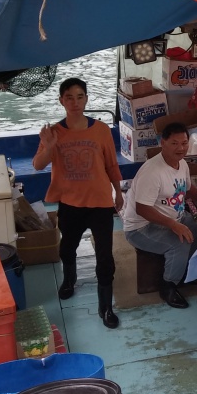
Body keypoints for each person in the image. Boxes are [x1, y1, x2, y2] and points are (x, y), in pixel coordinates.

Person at [32, 78, 123, 329]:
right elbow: (38, 165)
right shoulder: (53, 133)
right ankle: (69, 279)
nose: (75, 102)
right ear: (61, 100)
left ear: (86, 99)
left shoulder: (101, 130)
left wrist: (118, 191)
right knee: (66, 248)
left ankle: (105, 307)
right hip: (70, 203)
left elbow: (111, 164)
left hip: (100, 202)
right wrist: (49, 146)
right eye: (69, 97)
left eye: (80, 96)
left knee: (105, 256)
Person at [121, 122, 197, 308]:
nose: (181, 148)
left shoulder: (182, 164)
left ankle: (189, 270)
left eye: (184, 143)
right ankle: (168, 285)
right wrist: (173, 225)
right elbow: (142, 209)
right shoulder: (153, 172)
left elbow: (186, 189)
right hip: (141, 227)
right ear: (163, 143)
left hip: (174, 216)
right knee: (179, 242)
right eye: (174, 143)